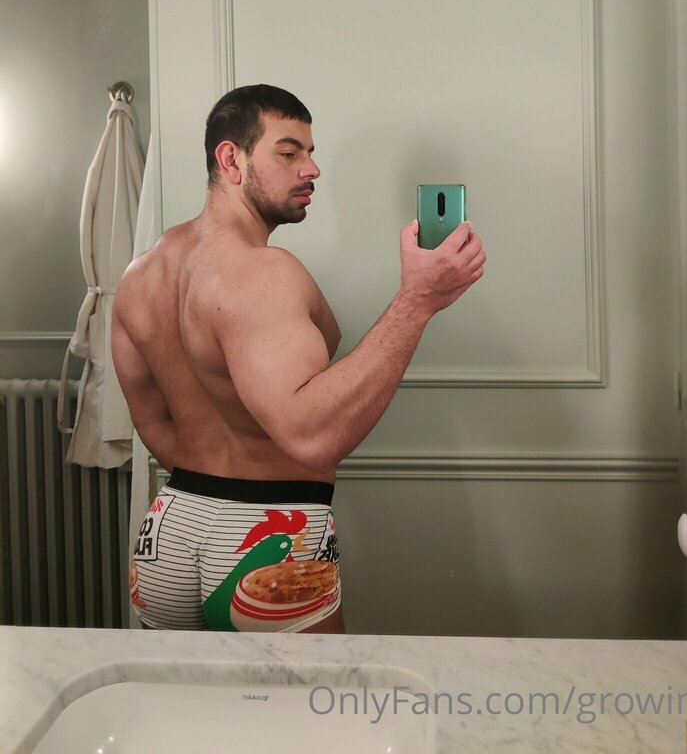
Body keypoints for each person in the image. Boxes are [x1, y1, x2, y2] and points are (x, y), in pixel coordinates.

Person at [112, 84, 486, 633]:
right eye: (288, 153)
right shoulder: (265, 272)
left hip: (170, 527)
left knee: (181, 692)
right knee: (309, 695)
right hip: (269, 530)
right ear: (231, 160)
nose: (311, 169)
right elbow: (313, 437)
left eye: (310, 153)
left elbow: (150, 421)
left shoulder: (138, 276)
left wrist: (213, 489)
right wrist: (418, 300)